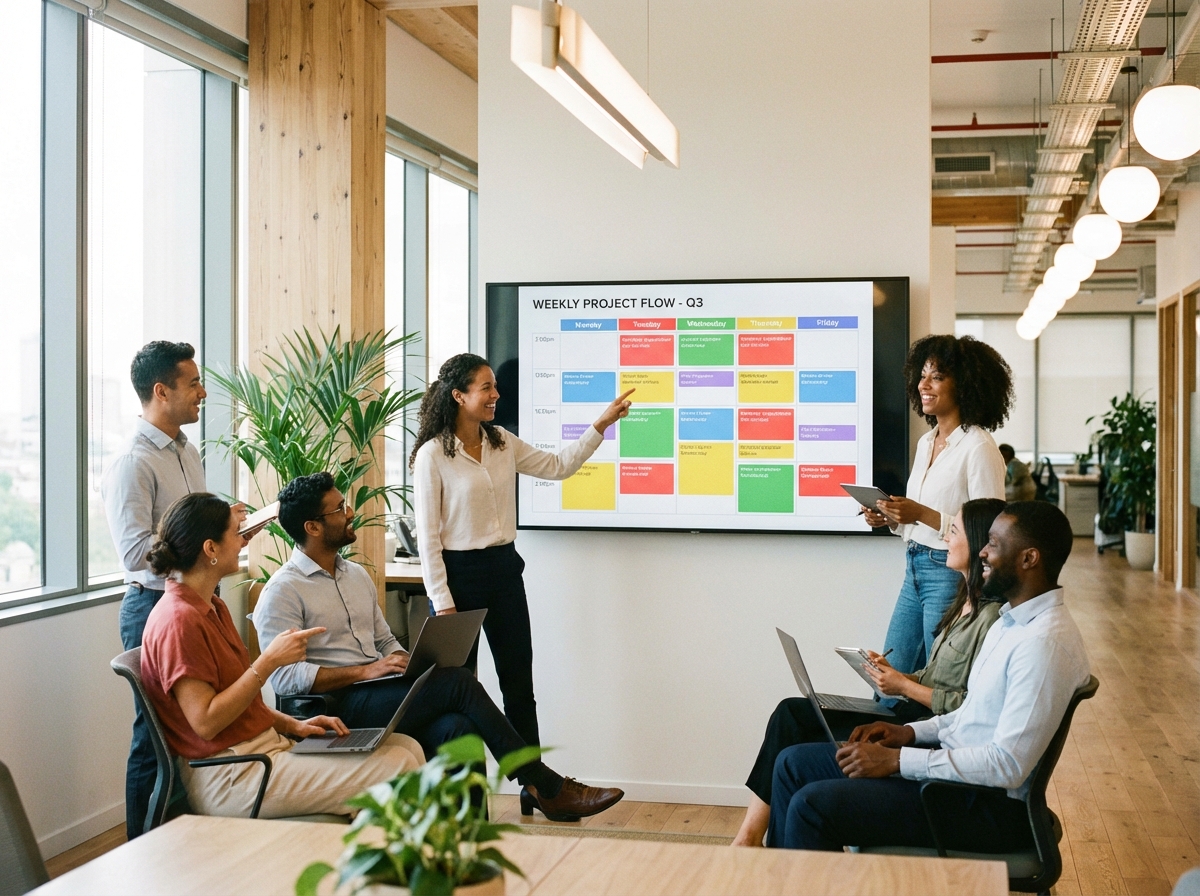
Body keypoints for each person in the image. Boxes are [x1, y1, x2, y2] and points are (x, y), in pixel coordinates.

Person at [253, 472, 624, 821]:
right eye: (339, 509)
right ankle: (543, 784)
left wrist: (404, 660)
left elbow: (383, 639)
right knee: (458, 682)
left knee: (458, 728)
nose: (350, 513)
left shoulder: (356, 575)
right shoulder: (283, 591)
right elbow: (284, 679)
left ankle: (473, 836)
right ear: (313, 527)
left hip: (379, 692)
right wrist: (364, 671)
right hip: (337, 708)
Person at [766, 501, 1090, 853]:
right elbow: (968, 716)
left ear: (1029, 558)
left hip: (987, 806)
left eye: (993, 543)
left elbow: (1007, 765)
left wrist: (897, 760)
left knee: (812, 806)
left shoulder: (1043, 644)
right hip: (957, 778)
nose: (982, 551)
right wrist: (908, 733)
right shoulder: (1011, 623)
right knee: (791, 764)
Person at [410, 354, 633, 816]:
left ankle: (535, 788)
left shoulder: (501, 442)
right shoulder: (433, 454)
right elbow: (428, 539)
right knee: (459, 691)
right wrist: (442, 602)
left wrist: (600, 425)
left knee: (519, 687)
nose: (496, 395)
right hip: (456, 579)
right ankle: (467, 798)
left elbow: (558, 466)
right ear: (458, 396)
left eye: (495, 386)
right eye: (486, 387)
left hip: (504, 572)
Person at [731, 497, 1006, 847]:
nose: (946, 539)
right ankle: (752, 838)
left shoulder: (992, 619)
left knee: (794, 731)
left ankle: (753, 841)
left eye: (953, 531)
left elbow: (967, 708)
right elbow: (935, 675)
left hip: (919, 725)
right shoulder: (961, 604)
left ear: (980, 543)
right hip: (911, 712)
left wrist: (904, 686)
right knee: (791, 713)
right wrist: (893, 675)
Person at [139, 493, 424, 819]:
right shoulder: (179, 621)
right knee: (398, 765)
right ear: (210, 549)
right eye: (236, 533)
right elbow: (206, 722)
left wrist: (295, 725)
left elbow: (240, 702)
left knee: (407, 747)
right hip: (232, 775)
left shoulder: (211, 606)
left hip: (263, 749)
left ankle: (353, 842)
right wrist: (269, 661)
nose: (243, 542)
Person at [101, 341, 249, 838]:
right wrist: (200, 547)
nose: (203, 392)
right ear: (161, 391)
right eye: (194, 383)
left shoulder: (187, 451)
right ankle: (141, 851)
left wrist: (224, 533)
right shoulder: (133, 462)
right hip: (153, 607)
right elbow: (134, 552)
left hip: (198, 601)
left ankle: (194, 842)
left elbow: (187, 532)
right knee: (154, 741)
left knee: (199, 733)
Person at [863, 334, 1011, 679]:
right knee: (889, 672)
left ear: (965, 386)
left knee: (939, 678)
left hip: (949, 575)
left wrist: (920, 514)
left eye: (937, 377)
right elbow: (918, 517)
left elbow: (989, 529)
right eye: (922, 375)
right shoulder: (926, 442)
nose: (923, 385)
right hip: (914, 565)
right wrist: (890, 518)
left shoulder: (979, 447)